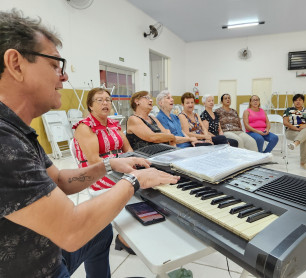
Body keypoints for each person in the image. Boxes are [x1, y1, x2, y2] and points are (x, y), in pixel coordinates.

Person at [0, 9, 179, 278]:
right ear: (15, 63)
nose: (63, 77)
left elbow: (59, 180)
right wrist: (135, 181)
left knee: (100, 232)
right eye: (54, 65)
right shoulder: (5, 141)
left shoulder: (18, 131)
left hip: (49, 252)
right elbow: (71, 231)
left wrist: (108, 164)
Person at [72, 87, 135, 254]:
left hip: (119, 165)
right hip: (97, 170)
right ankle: (123, 237)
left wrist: (132, 162)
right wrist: (124, 167)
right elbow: (94, 160)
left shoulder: (114, 124)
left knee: (143, 177)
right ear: (90, 106)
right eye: (99, 100)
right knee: (132, 183)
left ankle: (133, 228)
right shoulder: (84, 126)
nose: (105, 103)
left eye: (108, 99)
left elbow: (128, 148)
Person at [283, 93, 306, 171]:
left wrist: (305, 126)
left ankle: (295, 143)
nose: (298, 102)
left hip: (305, 130)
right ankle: (304, 163)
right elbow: (285, 122)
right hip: (291, 132)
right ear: (293, 102)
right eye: (296, 100)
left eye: (300, 100)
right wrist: (295, 128)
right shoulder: (289, 110)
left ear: (303, 101)